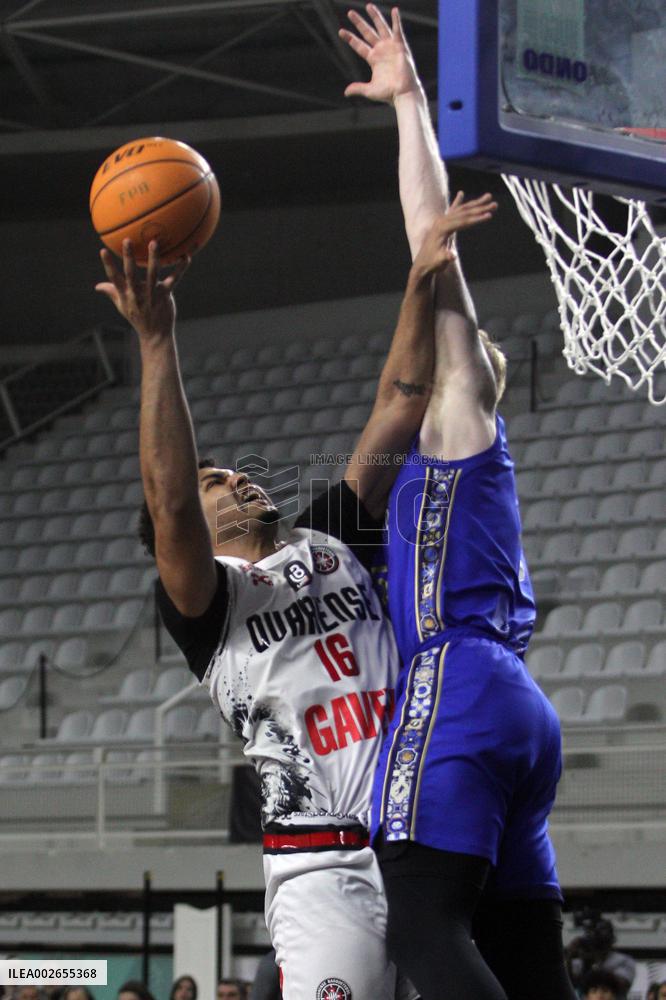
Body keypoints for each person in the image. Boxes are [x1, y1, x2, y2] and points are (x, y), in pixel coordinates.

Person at [95, 194, 493, 996]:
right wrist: (157, 340)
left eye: (232, 472)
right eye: (216, 481)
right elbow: (169, 501)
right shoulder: (209, 603)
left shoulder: (331, 537)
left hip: (418, 840)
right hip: (323, 865)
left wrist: (420, 279)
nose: (236, 478)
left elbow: (400, 404)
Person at [340, 7, 576, 1000]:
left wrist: (410, 103)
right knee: (526, 951)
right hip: (519, 709)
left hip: (460, 687)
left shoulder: (459, 427)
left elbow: (434, 250)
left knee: (421, 925)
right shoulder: (451, 471)